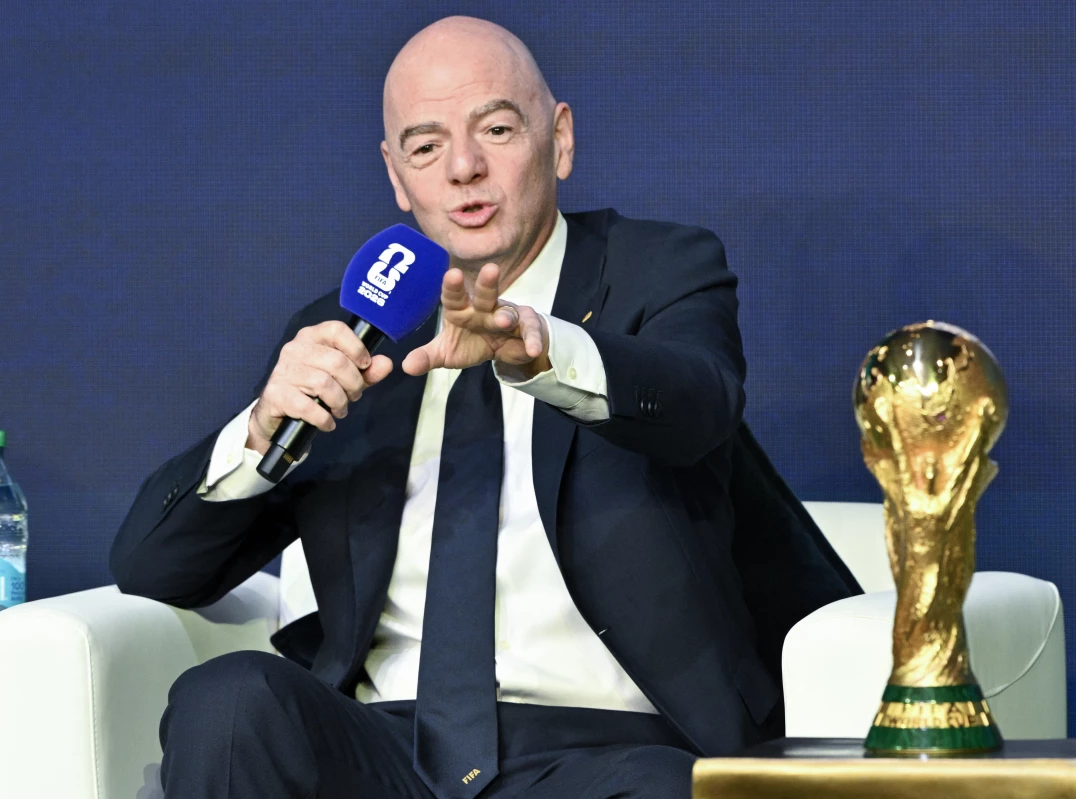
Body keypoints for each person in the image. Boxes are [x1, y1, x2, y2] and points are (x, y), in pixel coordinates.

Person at [111, 15, 858, 799]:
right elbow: (151, 564)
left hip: (608, 749)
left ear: (559, 139)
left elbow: (699, 402)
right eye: (426, 147)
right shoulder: (349, 334)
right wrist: (263, 428)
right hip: (387, 747)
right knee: (227, 701)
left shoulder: (660, 271)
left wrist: (543, 354)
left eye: (496, 128)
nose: (463, 167)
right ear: (397, 177)